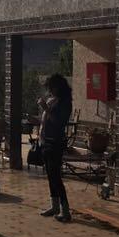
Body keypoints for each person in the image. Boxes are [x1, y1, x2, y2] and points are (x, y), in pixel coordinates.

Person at [37, 73, 73, 223]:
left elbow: (58, 122)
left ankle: (65, 210)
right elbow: (48, 119)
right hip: (46, 141)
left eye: (52, 87)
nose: (50, 90)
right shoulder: (54, 101)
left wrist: (45, 107)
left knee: (56, 176)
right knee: (50, 176)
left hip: (55, 143)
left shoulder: (65, 103)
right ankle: (55, 206)